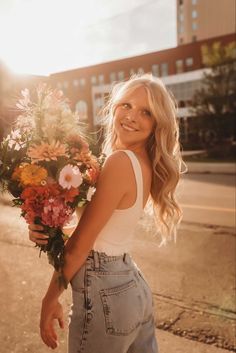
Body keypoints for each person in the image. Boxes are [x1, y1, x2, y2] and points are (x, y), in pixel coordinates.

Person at [28, 74, 184, 353]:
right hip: (132, 286)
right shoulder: (142, 163)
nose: (131, 116)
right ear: (114, 108)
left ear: (157, 123)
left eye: (146, 112)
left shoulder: (121, 161)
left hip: (106, 292)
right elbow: (102, 230)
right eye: (126, 105)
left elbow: (80, 245)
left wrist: (50, 298)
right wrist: (45, 226)